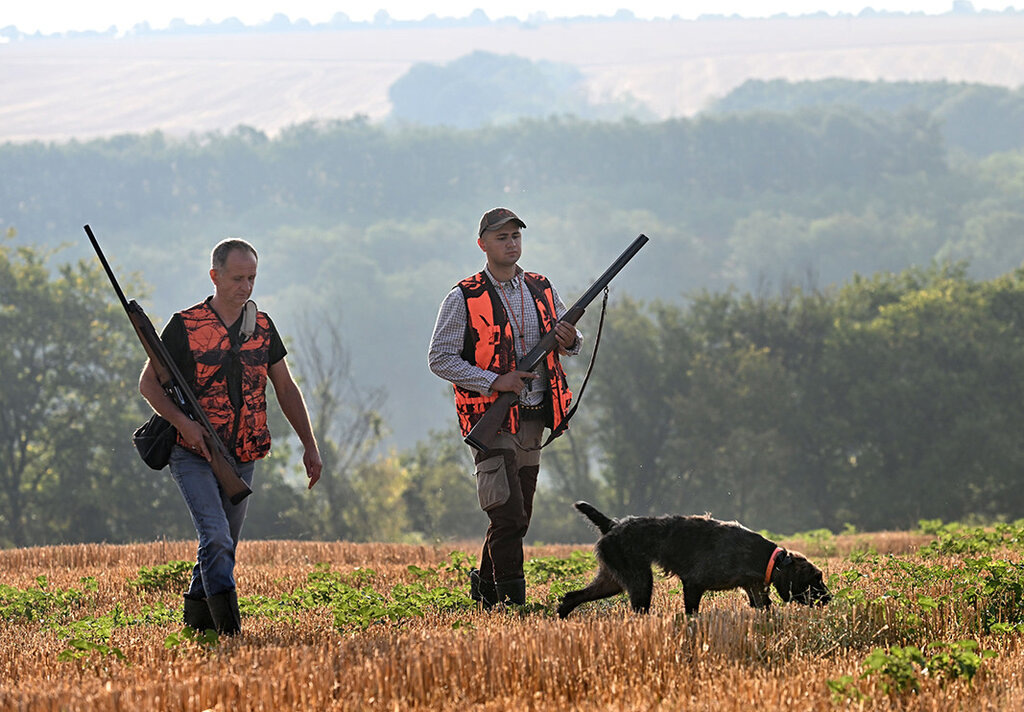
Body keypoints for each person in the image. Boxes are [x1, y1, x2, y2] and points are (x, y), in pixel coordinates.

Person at [139, 238, 322, 634]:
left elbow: (286, 388)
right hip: (193, 451)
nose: (246, 286)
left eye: (252, 277)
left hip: (243, 454)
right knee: (217, 538)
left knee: (222, 545)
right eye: (238, 278)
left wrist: (310, 445)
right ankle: (230, 632)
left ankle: (198, 628)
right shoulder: (185, 326)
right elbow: (148, 384)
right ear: (215, 276)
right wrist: (183, 424)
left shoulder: (263, 327)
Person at [428, 207, 581, 607]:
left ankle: (485, 589)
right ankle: (513, 604)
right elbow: (440, 358)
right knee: (507, 515)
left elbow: (572, 341)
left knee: (516, 514)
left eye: (515, 236)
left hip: (534, 414)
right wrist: (495, 381)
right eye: (502, 237)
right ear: (482, 244)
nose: (511, 244)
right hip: (490, 419)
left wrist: (570, 339)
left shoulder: (542, 288)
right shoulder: (463, 296)